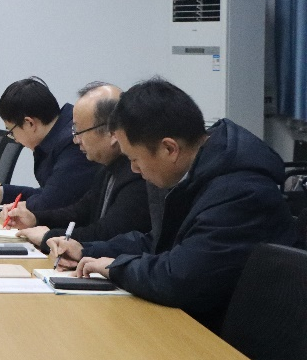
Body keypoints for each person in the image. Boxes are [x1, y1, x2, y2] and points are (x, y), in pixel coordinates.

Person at [48, 78, 296, 331]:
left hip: (229, 340)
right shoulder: (194, 173)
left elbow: (180, 278)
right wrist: (87, 250)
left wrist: (114, 268)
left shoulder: (240, 192)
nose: (133, 169)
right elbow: (159, 242)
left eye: (135, 159)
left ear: (169, 149)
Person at [4, 82, 151, 251]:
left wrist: (49, 236)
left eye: (79, 132)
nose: (75, 140)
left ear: (112, 133)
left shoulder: (137, 173)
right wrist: (36, 219)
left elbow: (107, 233)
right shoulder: (108, 165)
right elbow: (81, 211)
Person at [0, 77, 97, 211]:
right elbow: (50, 192)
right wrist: (3, 193)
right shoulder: (57, 136)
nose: (15, 139)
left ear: (29, 123)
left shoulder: (72, 144)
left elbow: (50, 203)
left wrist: (16, 205)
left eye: (11, 131)